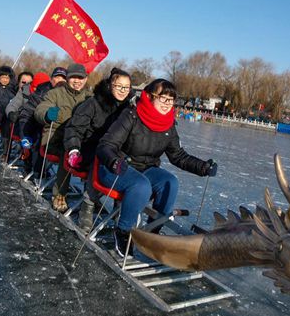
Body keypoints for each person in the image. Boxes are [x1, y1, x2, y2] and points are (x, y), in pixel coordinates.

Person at [96, 79, 218, 257]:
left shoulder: (168, 124)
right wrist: (114, 161)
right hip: (115, 169)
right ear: (150, 96)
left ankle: (153, 232)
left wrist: (203, 167)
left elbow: (178, 156)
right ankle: (122, 231)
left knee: (170, 182)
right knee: (141, 185)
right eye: (163, 98)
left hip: (145, 169)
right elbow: (106, 145)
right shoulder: (131, 115)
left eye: (171, 99)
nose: (167, 104)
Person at [63, 67, 133, 232]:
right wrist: (74, 149)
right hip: (90, 148)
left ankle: (119, 211)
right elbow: (74, 128)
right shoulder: (93, 104)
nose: (123, 91)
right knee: (100, 159)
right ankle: (88, 204)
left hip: (116, 152)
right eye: (118, 86)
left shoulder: (130, 109)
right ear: (110, 85)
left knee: (126, 165)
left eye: (126, 87)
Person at [34, 63, 92, 212]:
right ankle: (59, 194)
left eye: (81, 78)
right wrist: (47, 114)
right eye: (74, 77)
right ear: (67, 78)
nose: (77, 81)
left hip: (78, 139)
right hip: (54, 138)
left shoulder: (89, 98)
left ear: (85, 79)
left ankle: (91, 198)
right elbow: (40, 109)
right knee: (67, 151)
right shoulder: (55, 93)